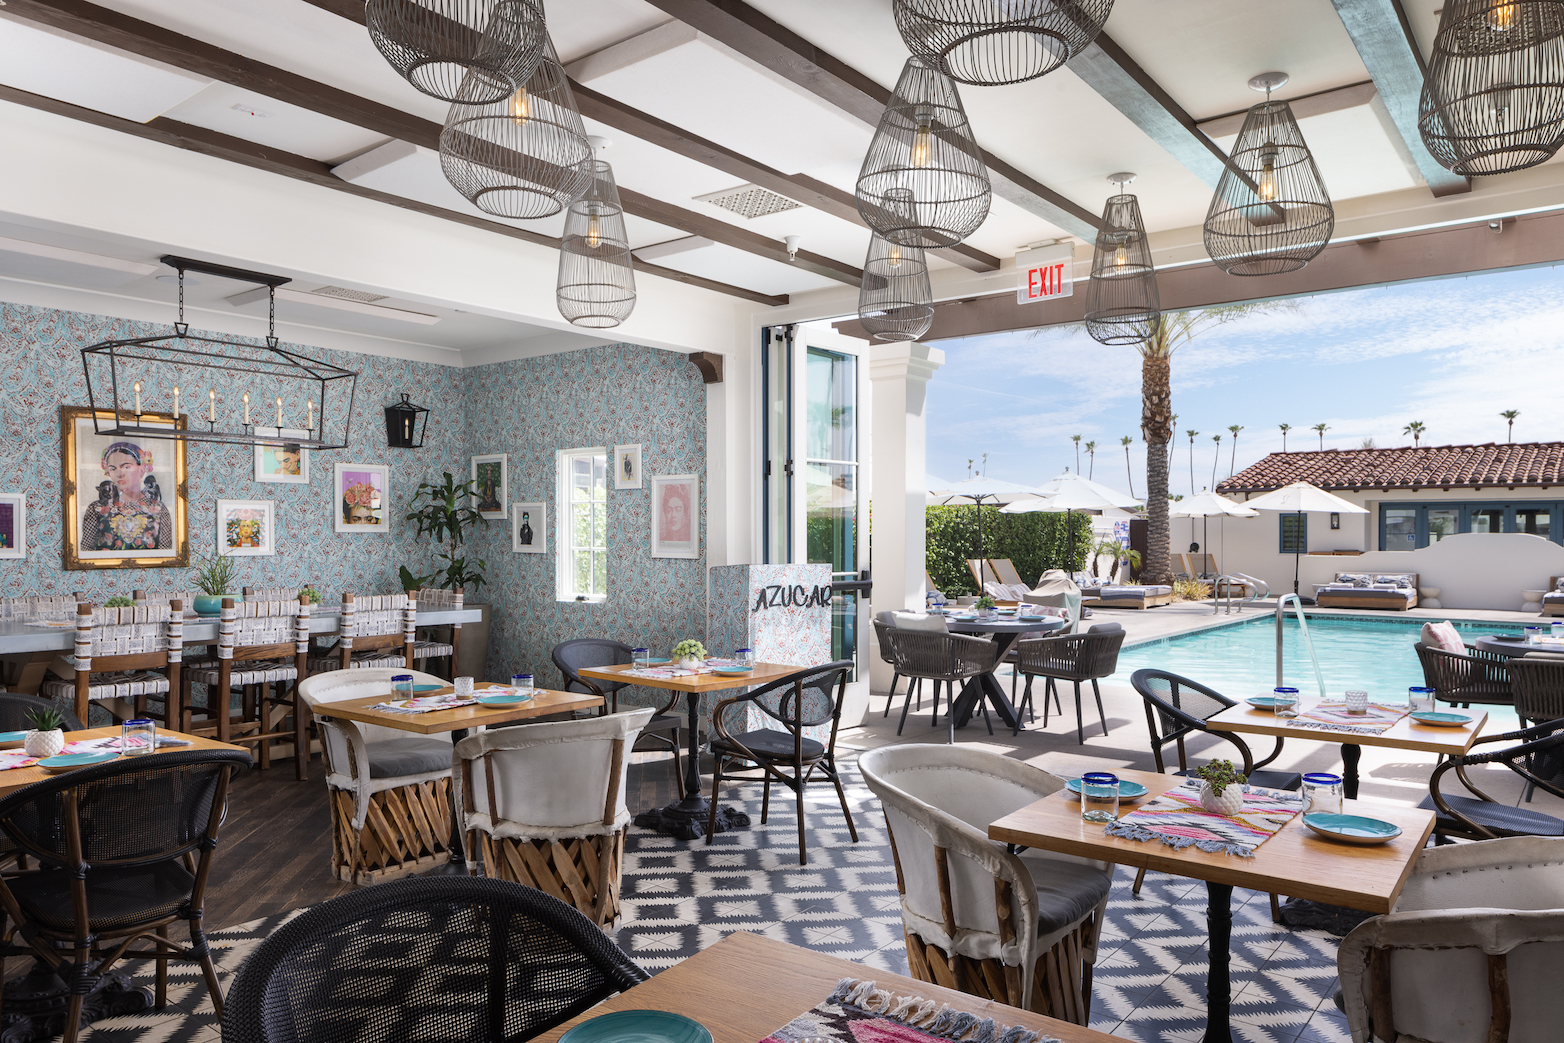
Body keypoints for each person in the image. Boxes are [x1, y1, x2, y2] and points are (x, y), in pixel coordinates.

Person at [82, 441, 172, 552]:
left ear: (142, 469)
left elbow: (166, 552)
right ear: (108, 472)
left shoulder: (158, 509)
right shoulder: (97, 508)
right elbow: (86, 551)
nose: (119, 473)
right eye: (113, 469)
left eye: (126, 467)